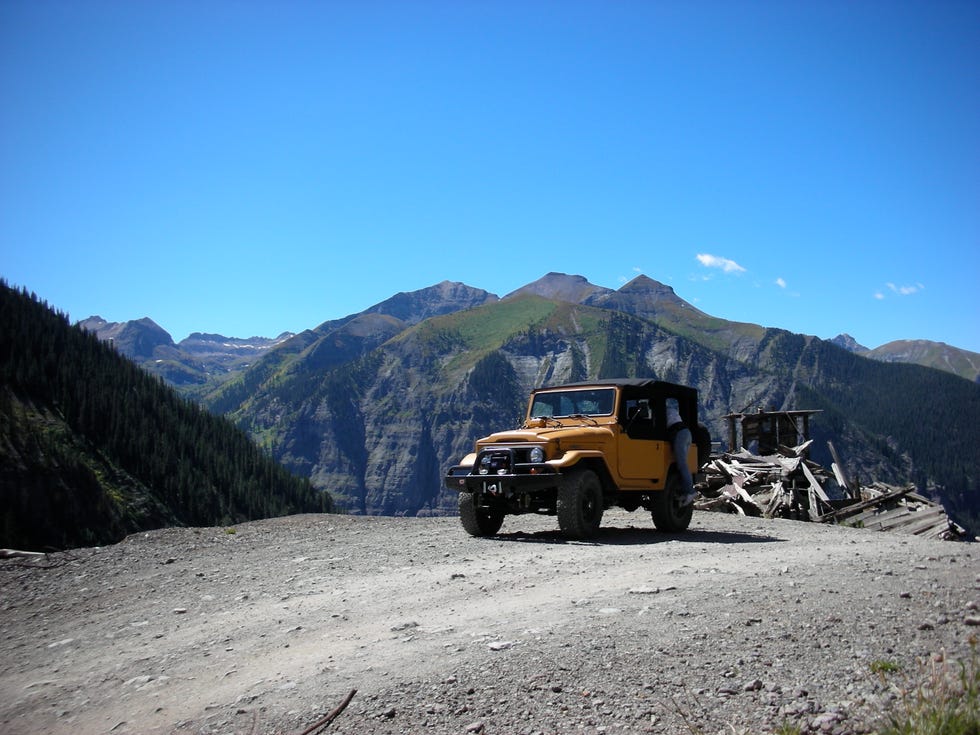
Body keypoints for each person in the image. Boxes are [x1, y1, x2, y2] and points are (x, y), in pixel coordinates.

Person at [666, 400, 697, 506]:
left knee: (682, 464)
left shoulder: (662, 412)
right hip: (686, 433)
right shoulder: (671, 410)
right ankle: (684, 491)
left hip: (679, 434)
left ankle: (690, 491)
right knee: (681, 464)